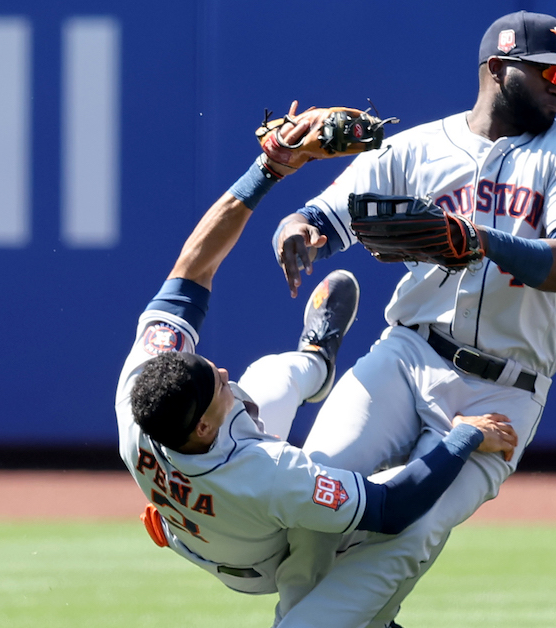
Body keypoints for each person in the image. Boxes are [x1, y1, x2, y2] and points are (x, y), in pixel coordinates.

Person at [270, 10, 556, 627]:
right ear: (498, 69)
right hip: (407, 355)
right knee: (314, 495)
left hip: (504, 387)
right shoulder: (416, 147)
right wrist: (297, 231)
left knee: (409, 534)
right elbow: (319, 217)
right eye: (549, 72)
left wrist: (479, 238)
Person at [114, 125, 518, 626]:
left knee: (269, 374)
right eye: (215, 383)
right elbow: (391, 507)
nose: (220, 370)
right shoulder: (269, 474)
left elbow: (191, 271)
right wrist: (462, 437)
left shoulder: (141, 392)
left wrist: (267, 169)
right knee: (351, 524)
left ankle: (317, 361)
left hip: (192, 518)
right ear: (203, 427)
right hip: (258, 559)